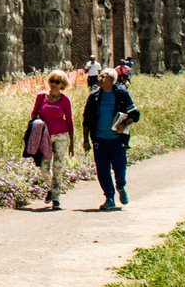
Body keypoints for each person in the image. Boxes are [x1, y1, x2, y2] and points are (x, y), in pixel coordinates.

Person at [83, 67, 141, 211]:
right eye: (100, 76)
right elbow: (86, 119)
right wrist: (85, 140)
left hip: (117, 139)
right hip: (99, 139)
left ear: (111, 80)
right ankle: (109, 197)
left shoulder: (121, 93)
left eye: (103, 76)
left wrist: (124, 124)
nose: (99, 78)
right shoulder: (94, 96)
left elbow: (135, 114)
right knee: (102, 170)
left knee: (120, 167)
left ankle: (120, 186)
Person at [29, 70, 77, 209]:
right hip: (45, 137)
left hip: (61, 136)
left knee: (58, 167)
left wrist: (72, 144)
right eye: (52, 81)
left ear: (62, 84)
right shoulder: (41, 97)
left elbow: (69, 121)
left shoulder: (65, 100)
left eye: (57, 82)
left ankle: (56, 199)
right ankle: (52, 187)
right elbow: (34, 114)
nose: (54, 84)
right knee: (44, 168)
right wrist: (36, 126)